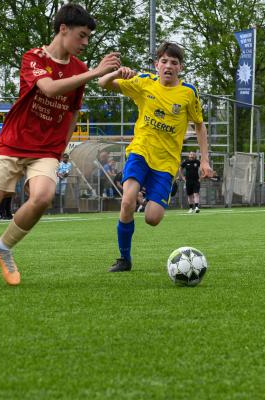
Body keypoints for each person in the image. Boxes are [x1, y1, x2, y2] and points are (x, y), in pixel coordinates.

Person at [0, 3, 121, 287]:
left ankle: (2, 248)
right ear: (63, 29)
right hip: (13, 143)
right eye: (82, 35)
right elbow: (50, 88)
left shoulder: (79, 68)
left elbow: (73, 111)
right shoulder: (33, 57)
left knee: (42, 196)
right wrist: (95, 72)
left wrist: (60, 148)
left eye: (88, 37)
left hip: (46, 149)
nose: (86, 43)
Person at [98, 41, 213, 273]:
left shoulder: (188, 93)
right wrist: (116, 73)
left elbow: (200, 126)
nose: (168, 66)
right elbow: (103, 83)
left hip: (167, 162)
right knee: (128, 201)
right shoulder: (143, 82)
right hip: (140, 151)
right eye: (164, 61)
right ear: (156, 64)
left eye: (174, 62)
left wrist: (204, 159)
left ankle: (159, 191)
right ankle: (124, 258)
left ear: (180, 68)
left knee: (152, 218)